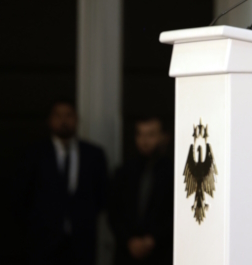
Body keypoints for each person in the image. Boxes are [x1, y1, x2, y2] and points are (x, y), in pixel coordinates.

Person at [17, 100, 108, 265]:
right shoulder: (34, 154)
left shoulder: (93, 154)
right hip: (43, 242)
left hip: (82, 242)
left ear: (77, 119)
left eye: (69, 115)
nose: (64, 121)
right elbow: (23, 195)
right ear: (49, 120)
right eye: (58, 116)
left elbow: (101, 196)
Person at [108, 115, 173, 265]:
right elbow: (114, 211)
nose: (144, 141)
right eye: (140, 134)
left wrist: (154, 239)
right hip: (126, 254)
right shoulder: (124, 172)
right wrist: (129, 240)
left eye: (151, 135)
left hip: (161, 254)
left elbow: (175, 214)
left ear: (165, 137)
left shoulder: (174, 174)